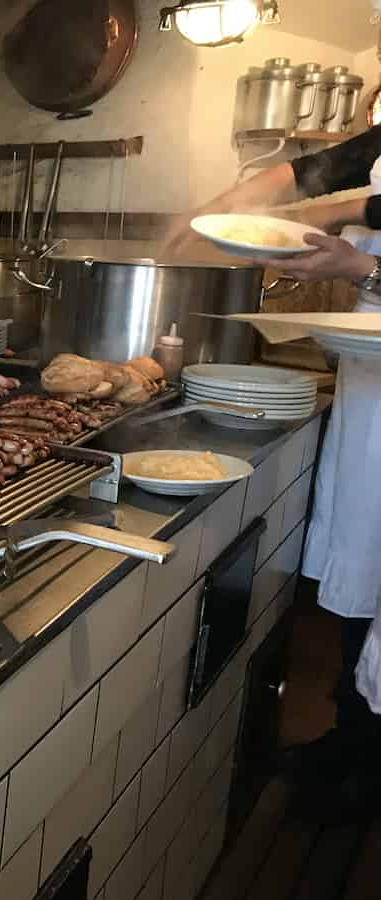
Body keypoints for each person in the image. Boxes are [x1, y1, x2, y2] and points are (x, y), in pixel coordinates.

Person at [174, 124, 381, 823]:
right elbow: (318, 174)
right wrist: (216, 209)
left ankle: (364, 771)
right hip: (370, 399)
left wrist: (358, 267)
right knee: (361, 577)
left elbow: (347, 213)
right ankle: (353, 740)